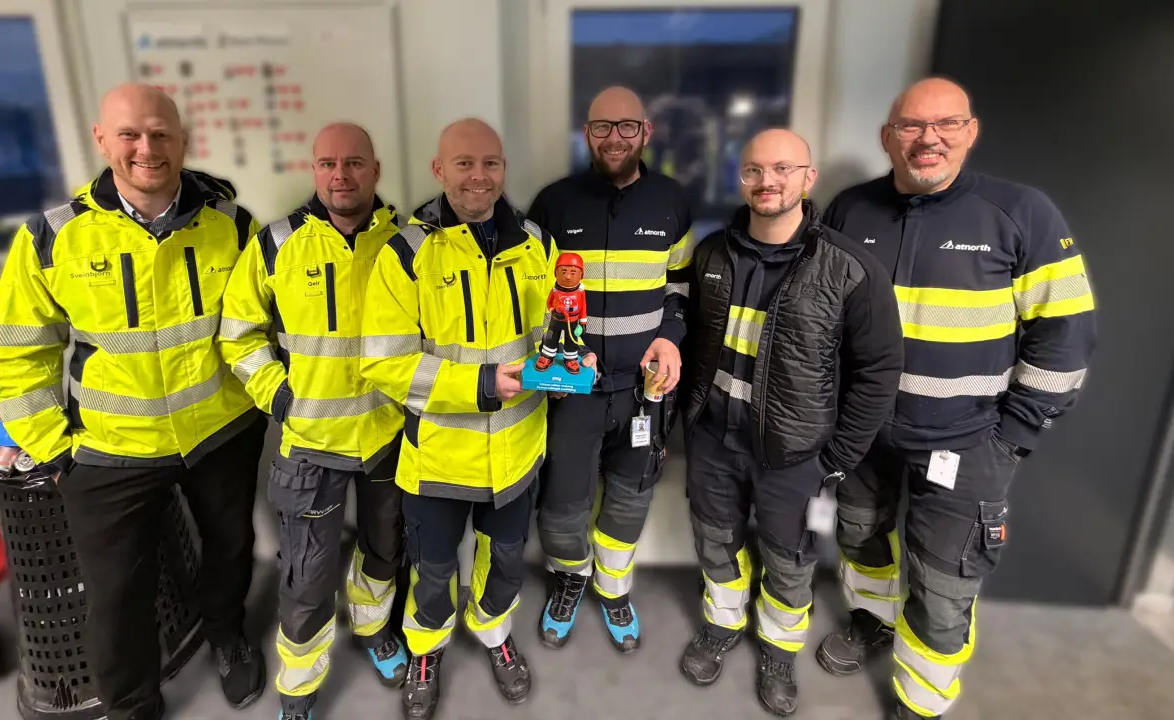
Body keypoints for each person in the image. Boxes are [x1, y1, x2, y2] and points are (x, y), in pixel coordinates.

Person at [0, 83, 266, 720]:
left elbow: (257, 328)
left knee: (230, 547)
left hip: (220, 432)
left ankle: (226, 635)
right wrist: (55, 449)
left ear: (183, 139)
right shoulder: (52, 239)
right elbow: (17, 356)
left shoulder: (232, 227)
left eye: (161, 133)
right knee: (115, 593)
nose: (146, 148)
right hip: (108, 451)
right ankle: (132, 704)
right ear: (101, 140)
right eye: (130, 134)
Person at [814, 78, 1097, 720]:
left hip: (968, 441)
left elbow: (1066, 331)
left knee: (944, 583)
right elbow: (823, 315)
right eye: (911, 126)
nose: (928, 138)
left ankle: (921, 702)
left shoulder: (1020, 211)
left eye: (945, 124)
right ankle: (871, 621)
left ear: (970, 131)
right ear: (888, 137)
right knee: (859, 538)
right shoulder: (849, 210)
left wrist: (1012, 436)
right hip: (861, 434)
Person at [676, 129, 903, 716]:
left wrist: (836, 458)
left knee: (789, 555)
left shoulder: (852, 270)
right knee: (715, 539)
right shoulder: (711, 254)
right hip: (712, 439)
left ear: (808, 178)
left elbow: (878, 371)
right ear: (740, 178)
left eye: (782, 168)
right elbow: (693, 339)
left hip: (796, 454)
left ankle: (779, 649)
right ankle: (723, 624)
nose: (767, 181)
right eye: (754, 169)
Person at [360, 117, 574, 720]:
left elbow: (552, 335)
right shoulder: (406, 252)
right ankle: (425, 651)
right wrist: (480, 383)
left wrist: (556, 375)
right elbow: (384, 362)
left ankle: (493, 633)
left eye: (490, 164)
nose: (478, 177)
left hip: (517, 451)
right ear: (438, 170)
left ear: (504, 169)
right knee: (431, 570)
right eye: (463, 163)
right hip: (437, 457)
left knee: (505, 561)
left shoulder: (538, 243)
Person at [216, 122, 410, 719]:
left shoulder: (408, 242)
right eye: (327, 163)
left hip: (389, 437)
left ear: (375, 170)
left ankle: (376, 630)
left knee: (384, 551)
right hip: (308, 442)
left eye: (354, 163)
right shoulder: (276, 244)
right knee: (305, 576)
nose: (340, 175)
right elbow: (238, 333)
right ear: (313, 170)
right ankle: (298, 689)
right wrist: (278, 396)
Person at [525, 85, 692, 652]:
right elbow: (530, 298)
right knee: (563, 502)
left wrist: (670, 338)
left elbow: (681, 288)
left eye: (626, 127)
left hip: (645, 391)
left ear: (645, 132)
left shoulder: (673, 202)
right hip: (573, 392)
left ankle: (613, 587)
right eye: (601, 127)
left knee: (630, 496)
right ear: (586, 133)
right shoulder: (552, 205)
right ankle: (570, 579)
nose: (614, 138)